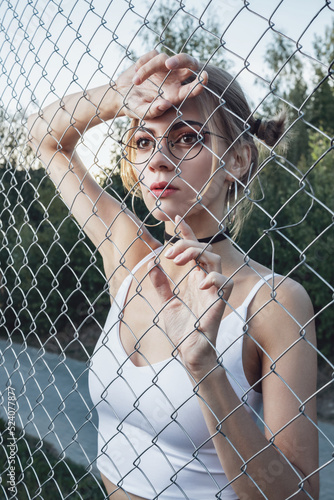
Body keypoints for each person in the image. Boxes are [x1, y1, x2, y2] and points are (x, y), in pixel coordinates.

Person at [28, 50, 319, 500]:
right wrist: (118, 97)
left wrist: (205, 370)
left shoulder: (275, 301)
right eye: (144, 141)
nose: (159, 160)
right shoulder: (130, 253)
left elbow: (299, 495)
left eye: (187, 138)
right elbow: (44, 137)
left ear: (238, 159)